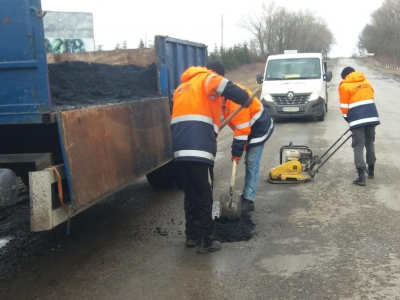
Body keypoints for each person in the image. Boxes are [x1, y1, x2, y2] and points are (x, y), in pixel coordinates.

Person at [170, 60, 253, 254]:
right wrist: (245, 98)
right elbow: (227, 86)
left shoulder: (181, 88)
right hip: (198, 148)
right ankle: (206, 240)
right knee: (204, 194)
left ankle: (191, 235)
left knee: (190, 192)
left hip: (179, 148)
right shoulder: (208, 78)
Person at [218, 82, 274, 212]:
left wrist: (236, 153)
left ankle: (249, 200)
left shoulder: (235, 100)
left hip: (260, 128)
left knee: (251, 162)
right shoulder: (223, 97)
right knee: (249, 160)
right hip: (247, 128)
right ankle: (246, 196)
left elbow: (242, 131)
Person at [338, 66, 380, 186]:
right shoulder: (367, 82)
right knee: (369, 143)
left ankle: (361, 177)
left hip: (357, 120)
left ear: (345, 76)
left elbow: (344, 106)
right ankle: (371, 171)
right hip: (372, 117)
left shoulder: (344, 85)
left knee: (358, 146)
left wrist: (348, 119)